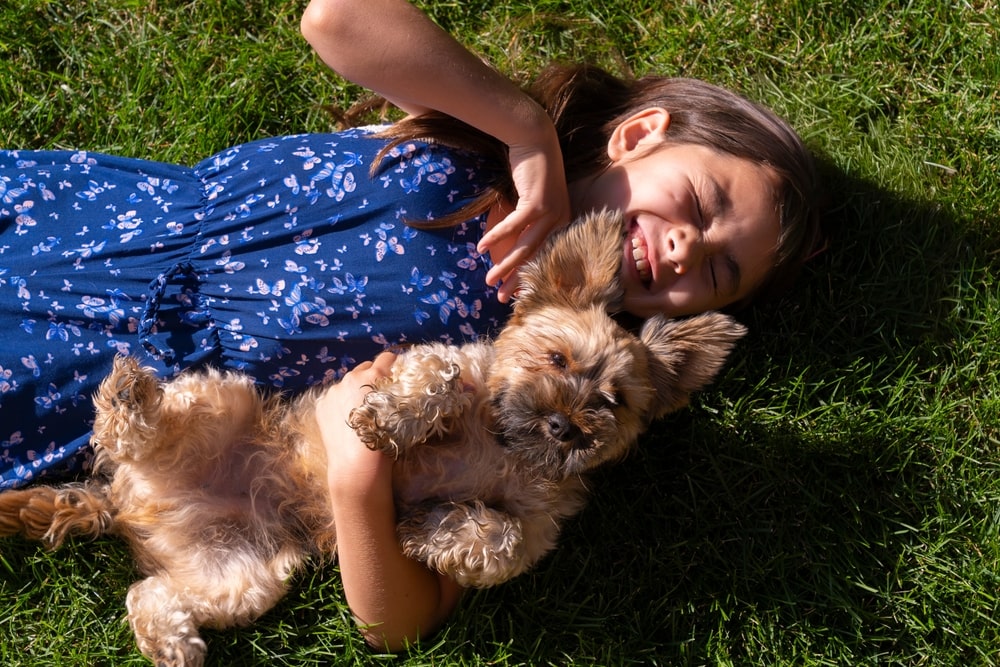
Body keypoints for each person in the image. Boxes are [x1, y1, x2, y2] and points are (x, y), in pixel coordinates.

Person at [0, 0, 823, 651]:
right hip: (98, 224)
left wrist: (357, 479)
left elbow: (397, 621)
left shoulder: (537, 397)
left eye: (717, 273)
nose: (687, 248)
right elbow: (334, 17)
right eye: (706, 205)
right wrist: (526, 129)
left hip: (103, 379)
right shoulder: (480, 138)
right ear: (641, 133)